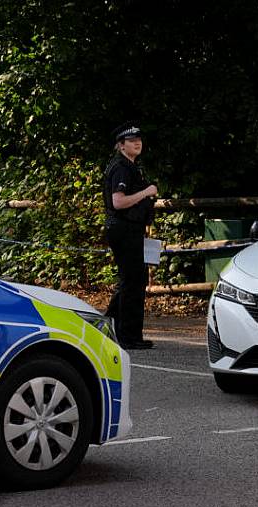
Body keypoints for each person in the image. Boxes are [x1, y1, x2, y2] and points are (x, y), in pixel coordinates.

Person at [102, 122, 158, 349]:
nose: (137, 142)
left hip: (129, 229)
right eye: (131, 140)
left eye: (139, 139)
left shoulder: (130, 166)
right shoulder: (122, 168)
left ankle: (109, 327)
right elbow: (118, 201)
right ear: (120, 145)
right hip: (124, 228)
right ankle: (128, 337)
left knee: (130, 280)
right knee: (133, 282)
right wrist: (146, 191)